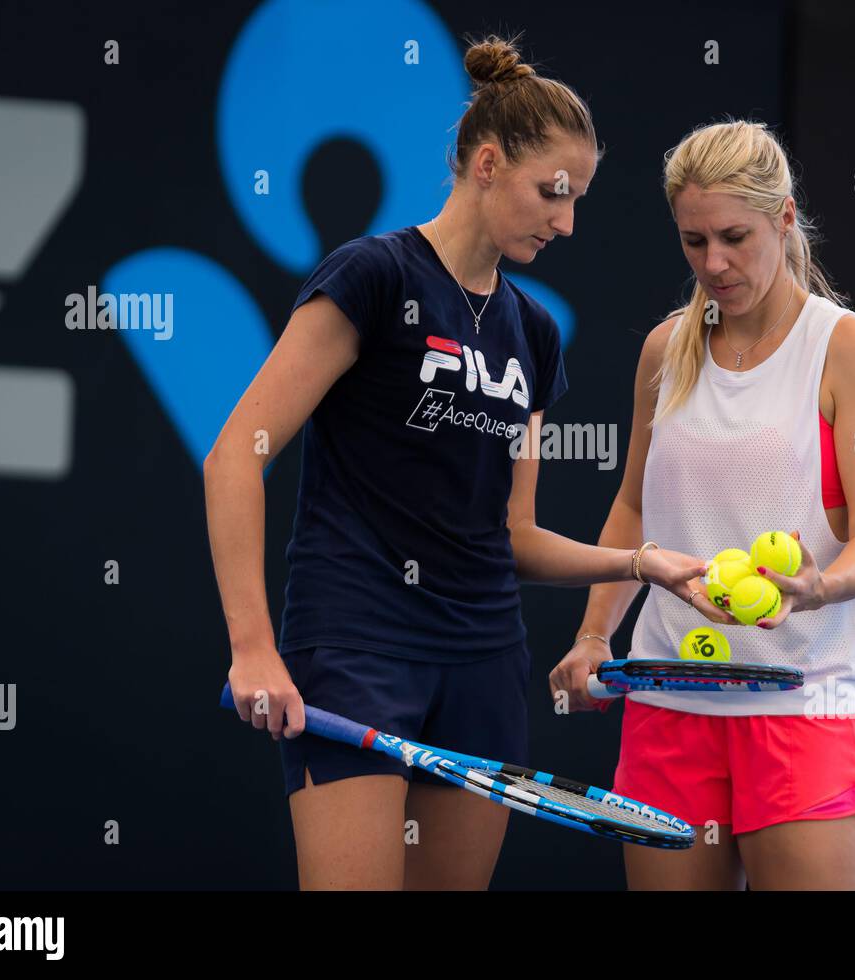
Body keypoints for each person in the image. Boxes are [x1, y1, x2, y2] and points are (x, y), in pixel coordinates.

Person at [203, 35, 725, 890]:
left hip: (483, 662)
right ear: (487, 164)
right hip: (355, 645)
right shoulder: (371, 276)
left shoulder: (535, 333)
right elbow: (234, 458)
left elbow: (512, 534)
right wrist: (253, 647)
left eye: (578, 199)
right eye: (553, 192)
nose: (567, 222)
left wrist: (643, 565)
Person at [551, 120, 855, 890]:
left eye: (735, 237)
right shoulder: (663, 349)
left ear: (783, 217)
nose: (714, 263)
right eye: (693, 241)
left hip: (806, 708)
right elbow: (635, 510)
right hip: (666, 703)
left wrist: (819, 586)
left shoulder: (849, 348)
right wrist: (592, 636)